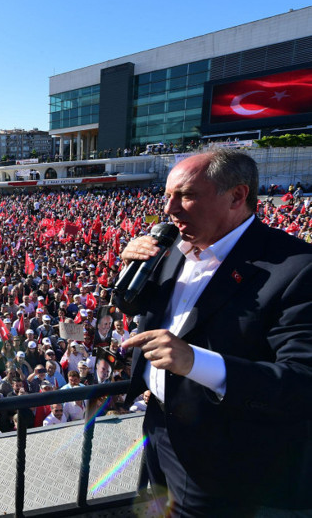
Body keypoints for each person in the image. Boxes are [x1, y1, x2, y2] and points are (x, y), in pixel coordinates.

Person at [118, 150, 312, 514]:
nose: (170, 210)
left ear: (237, 196)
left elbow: (302, 382)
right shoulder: (174, 247)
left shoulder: (298, 269)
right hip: (158, 425)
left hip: (223, 453)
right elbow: (146, 309)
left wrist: (195, 362)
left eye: (186, 196)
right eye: (168, 196)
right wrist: (132, 271)